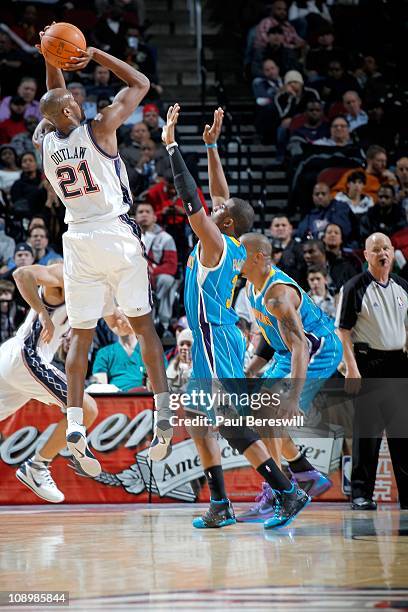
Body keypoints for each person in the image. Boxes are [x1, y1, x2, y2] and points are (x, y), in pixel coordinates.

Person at [163, 103, 311, 530]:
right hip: (214, 334)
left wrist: (173, 146)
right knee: (195, 416)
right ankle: (221, 502)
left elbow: (191, 199)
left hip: (215, 336)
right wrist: (210, 146)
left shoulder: (215, 244)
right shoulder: (227, 238)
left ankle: (286, 489)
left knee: (229, 420)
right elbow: (219, 196)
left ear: (223, 222)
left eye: (217, 212)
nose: (213, 208)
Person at [36, 25, 173, 470]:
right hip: (115, 233)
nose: (77, 99)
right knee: (144, 325)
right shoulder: (100, 128)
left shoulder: (46, 142)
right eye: (74, 101)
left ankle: (74, 421)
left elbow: (53, 101)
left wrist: (48, 54)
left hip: (76, 240)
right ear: (73, 110)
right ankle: (165, 415)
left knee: (81, 332)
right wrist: (93, 53)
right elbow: (140, 84)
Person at [237, 232, 342, 522]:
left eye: (240, 253)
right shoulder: (249, 286)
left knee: (271, 413)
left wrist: (293, 396)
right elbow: (271, 338)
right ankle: (303, 475)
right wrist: (250, 371)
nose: (234, 258)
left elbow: (301, 345)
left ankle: (282, 491)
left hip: (318, 348)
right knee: (257, 410)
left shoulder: (277, 295)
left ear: (258, 256)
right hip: (288, 352)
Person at [0, 263, 101, 501]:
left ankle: (37, 467)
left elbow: (109, 315)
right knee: (87, 409)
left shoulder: (94, 287)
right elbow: (21, 274)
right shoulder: (65, 273)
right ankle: (37, 467)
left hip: (14, 358)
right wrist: (42, 313)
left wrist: (117, 319)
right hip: (28, 356)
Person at [336, 233, 408, 510]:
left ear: (392, 252)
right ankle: (360, 494)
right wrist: (352, 368)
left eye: (387, 248)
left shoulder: (403, 286)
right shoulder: (354, 287)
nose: (383, 253)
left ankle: (406, 495)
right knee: (367, 434)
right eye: (376, 249)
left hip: (400, 363)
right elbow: (342, 331)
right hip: (369, 364)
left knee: (403, 433)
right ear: (366, 255)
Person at [135, 201, 178, 335]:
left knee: (167, 279)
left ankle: (162, 323)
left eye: (148, 212)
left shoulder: (166, 238)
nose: (144, 214)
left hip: (156, 278)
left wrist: (152, 272)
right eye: (140, 212)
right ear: (135, 218)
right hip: (135, 276)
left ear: (155, 217)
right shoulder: (128, 237)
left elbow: (171, 266)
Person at [92, 316, 146, 391]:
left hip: (143, 399)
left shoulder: (150, 351)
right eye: (118, 317)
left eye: (126, 316)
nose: (122, 320)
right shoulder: (104, 353)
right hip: (114, 399)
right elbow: (100, 388)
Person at [296, 182, 359, 246]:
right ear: (313, 197)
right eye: (317, 194)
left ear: (330, 196)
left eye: (323, 194)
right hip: (315, 248)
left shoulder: (341, 207)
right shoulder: (310, 214)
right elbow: (300, 233)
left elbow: (344, 231)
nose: (320, 196)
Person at [332, 145, 397, 201]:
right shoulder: (354, 173)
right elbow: (335, 193)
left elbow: (393, 198)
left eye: (385, 161)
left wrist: (393, 179)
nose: (383, 164)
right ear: (369, 160)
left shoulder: (387, 178)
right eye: (379, 161)